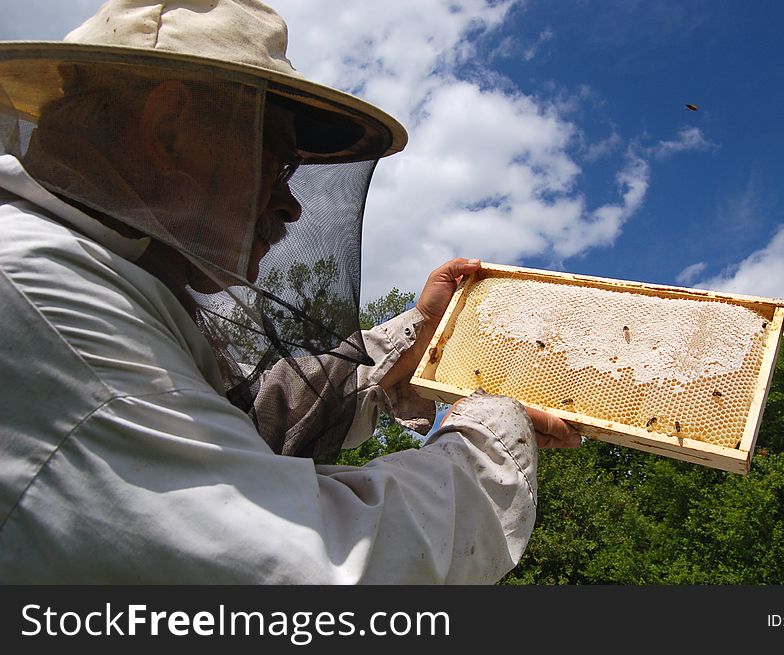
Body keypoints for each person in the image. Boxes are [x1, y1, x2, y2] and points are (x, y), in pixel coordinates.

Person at [0, 0, 579, 584]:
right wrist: (492, 429)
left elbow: (242, 428)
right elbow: (316, 570)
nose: (291, 204)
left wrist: (415, 337)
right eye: (274, 160)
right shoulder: (41, 293)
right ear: (168, 126)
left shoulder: (90, 278)